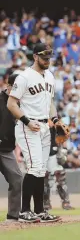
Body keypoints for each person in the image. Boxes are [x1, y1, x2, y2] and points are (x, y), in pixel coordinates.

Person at [7, 43, 61, 223]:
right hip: (29, 125)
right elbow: (11, 104)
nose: (47, 60)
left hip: (45, 126)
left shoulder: (50, 76)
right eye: (44, 57)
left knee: (41, 169)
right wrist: (27, 122)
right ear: (35, 56)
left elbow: (50, 102)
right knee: (35, 167)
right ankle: (24, 211)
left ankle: (39, 211)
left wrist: (55, 120)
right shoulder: (24, 77)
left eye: (49, 57)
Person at [0, 73, 22, 222]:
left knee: (17, 178)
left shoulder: (21, 102)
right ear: (9, 86)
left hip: (6, 149)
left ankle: (13, 217)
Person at [44, 125, 75, 210]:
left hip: (54, 154)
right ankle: (45, 203)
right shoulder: (37, 121)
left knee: (60, 178)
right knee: (44, 180)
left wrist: (62, 151)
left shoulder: (54, 123)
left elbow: (63, 137)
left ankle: (65, 202)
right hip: (42, 154)